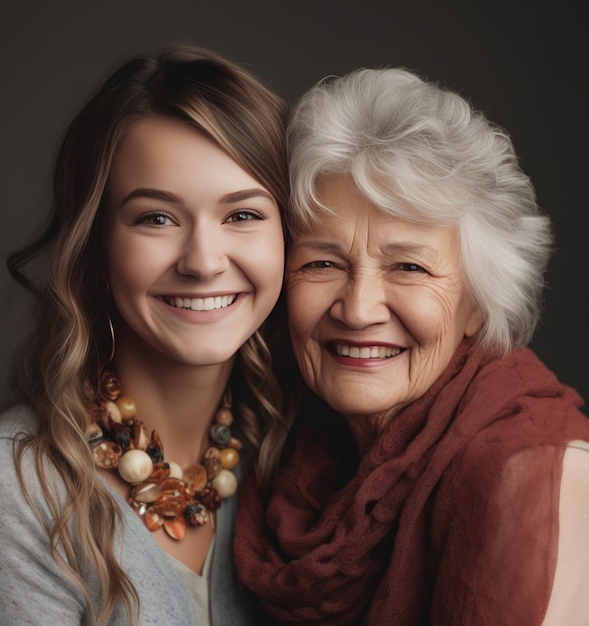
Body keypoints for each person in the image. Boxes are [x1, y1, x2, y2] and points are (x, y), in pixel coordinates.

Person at [234, 66, 589, 625]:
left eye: (409, 266)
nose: (358, 308)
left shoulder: (522, 473)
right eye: (323, 262)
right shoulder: (299, 454)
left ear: (479, 303)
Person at [0, 42, 291, 625]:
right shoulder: (12, 484)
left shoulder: (293, 451)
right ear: (95, 249)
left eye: (242, 214)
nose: (203, 261)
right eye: (156, 218)